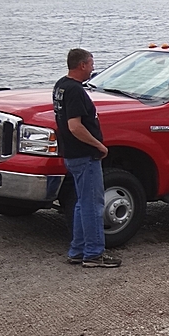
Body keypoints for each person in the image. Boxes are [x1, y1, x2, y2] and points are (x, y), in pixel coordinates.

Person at [53, 48, 121, 268]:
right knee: (93, 204)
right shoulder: (74, 91)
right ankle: (93, 253)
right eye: (91, 64)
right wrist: (98, 144)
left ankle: (78, 249)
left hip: (72, 154)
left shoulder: (60, 86)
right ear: (82, 65)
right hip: (83, 153)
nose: (93, 68)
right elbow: (74, 125)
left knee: (83, 203)